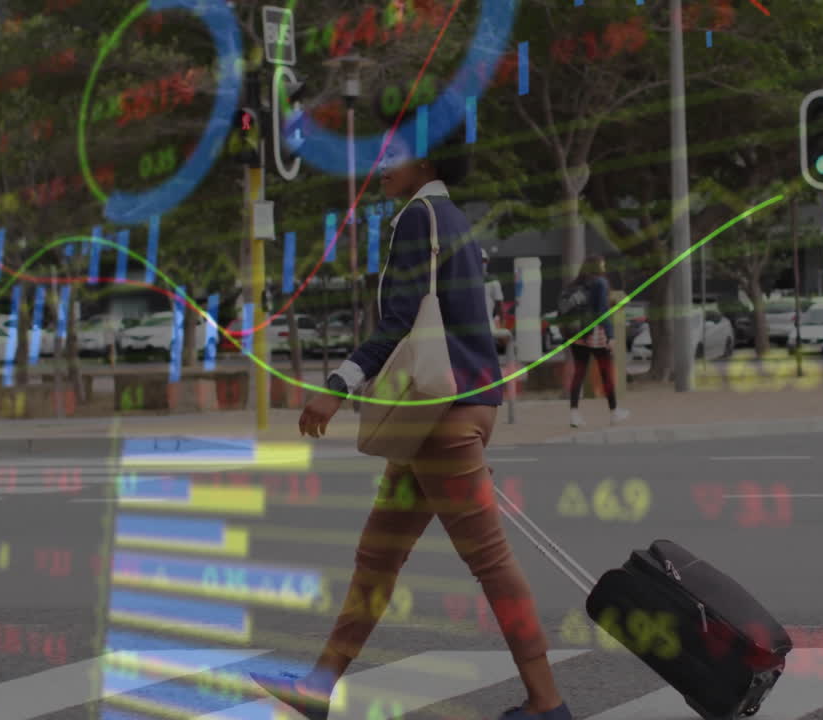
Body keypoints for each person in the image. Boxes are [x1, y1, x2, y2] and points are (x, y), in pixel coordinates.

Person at [251, 117, 573, 720]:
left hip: (440, 417)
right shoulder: (454, 221)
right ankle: (318, 686)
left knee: (491, 564)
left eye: (393, 154)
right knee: (378, 555)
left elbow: (400, 320)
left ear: (425, 162)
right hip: (453, 410)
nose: (381, 165)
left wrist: (337, 387)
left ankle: (547, 701)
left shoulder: (418, 219)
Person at [567, 255, 628, 428]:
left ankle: (574, 414)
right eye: (602, 264)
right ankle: (614, 411)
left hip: (577, 334)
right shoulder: (601, 282)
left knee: (579, 373)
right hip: (596, 334)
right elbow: (602, 312)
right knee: (606, 372)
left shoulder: (575, 284)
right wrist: (610, 335)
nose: (604, 267)